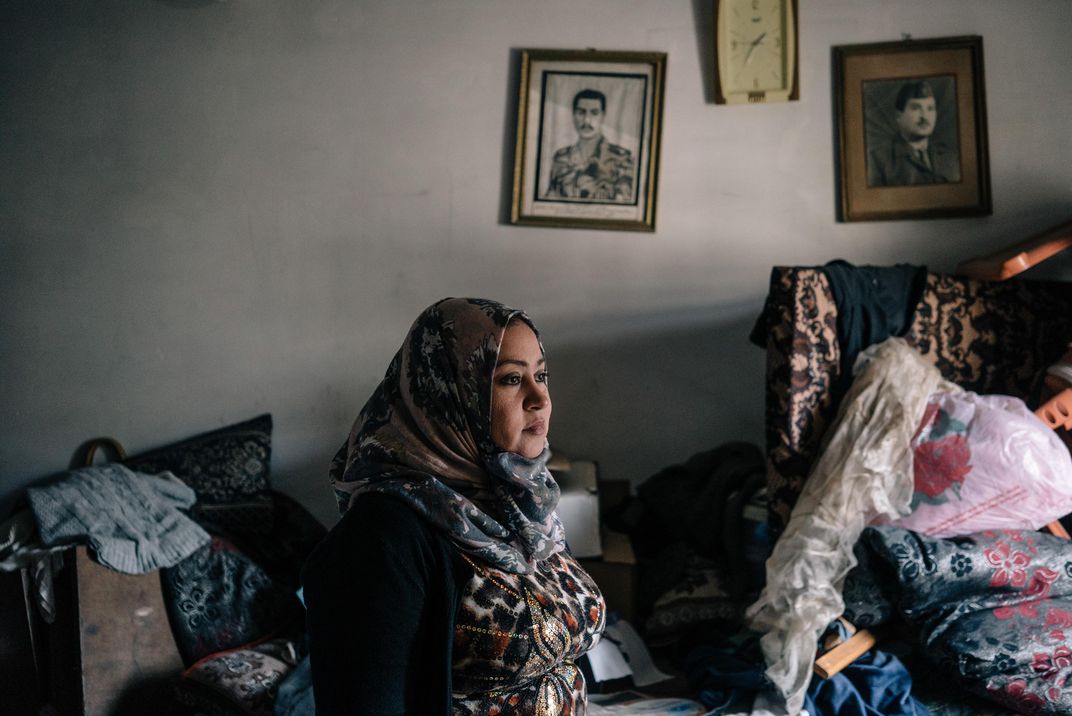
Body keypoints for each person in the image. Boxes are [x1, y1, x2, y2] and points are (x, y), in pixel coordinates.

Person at [301, 297, 606, 715]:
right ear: (450, 395)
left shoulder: (526, 505)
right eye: (512, 380)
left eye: (541, 375)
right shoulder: (382, 539)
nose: (540, 398)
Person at [546, 88, 636, 202]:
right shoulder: (561, 158)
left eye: (594, 113)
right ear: (573, 115)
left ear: (603, 116)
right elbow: (550, 201)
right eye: (581, 112)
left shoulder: (623, 159)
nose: (587, 120)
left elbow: (626, 205)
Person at [867, 80, 960, 187]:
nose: (924, 116)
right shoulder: (878, 160)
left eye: (930, 108)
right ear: (898, 116)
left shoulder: (951, 157)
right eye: (916, 108)